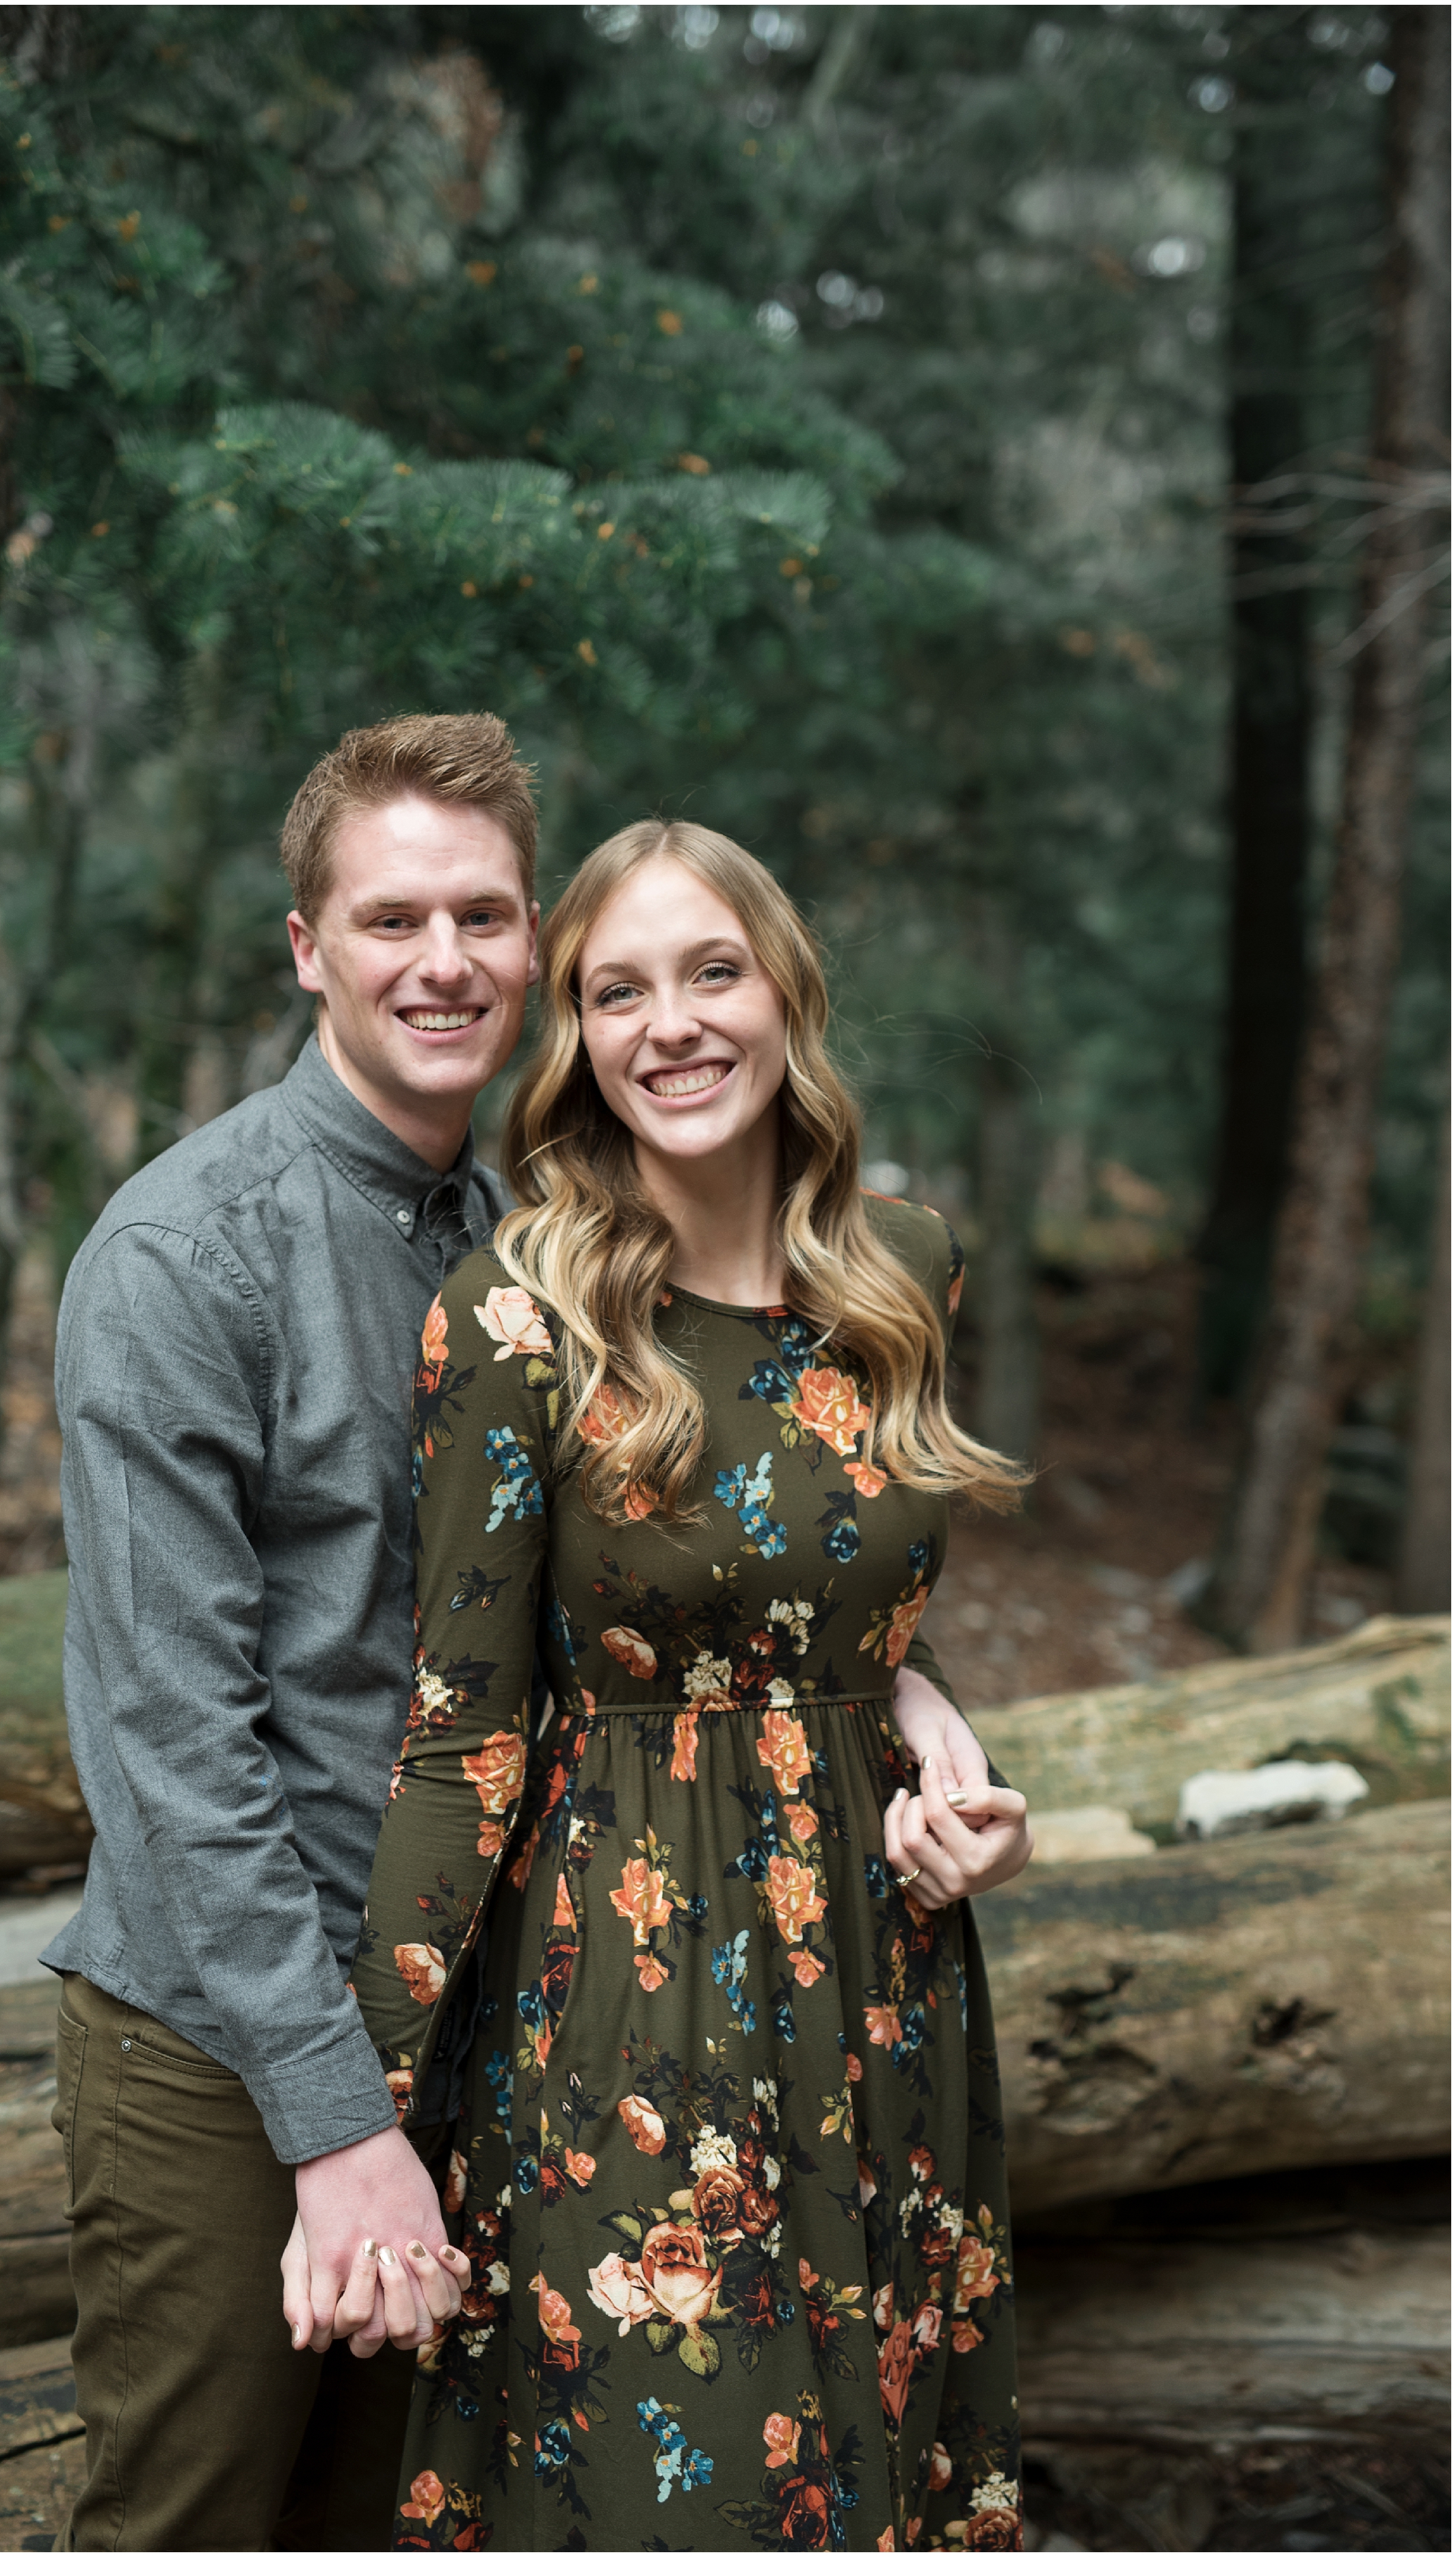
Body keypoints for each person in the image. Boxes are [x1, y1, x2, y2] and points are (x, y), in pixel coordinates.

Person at [312, 819, 1034, 2552]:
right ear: (576, 1038)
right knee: (681, 2483)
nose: (672, 1023)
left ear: (785, 993)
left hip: (885, 1985)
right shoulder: (518, 1319)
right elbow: (461, 1737)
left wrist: (950, 1767)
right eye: (615, 990)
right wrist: (350, 2125)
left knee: (876, 2468)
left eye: (711, 971)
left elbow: (838, 1610)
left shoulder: (906, 1269)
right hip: (630, 2000)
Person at [42, 711, 544, 2551]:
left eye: (480, 917)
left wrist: (907, 1691)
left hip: (465, 2023)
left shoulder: (521, 1229)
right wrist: (335, 2126)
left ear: (531, 940)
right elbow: (170, 1739)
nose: (442, 961)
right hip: (222, 2050)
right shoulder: (184, 1255)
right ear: (307, 946)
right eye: (393, 918)